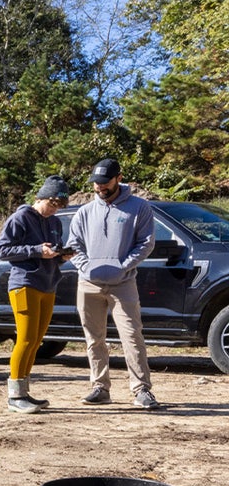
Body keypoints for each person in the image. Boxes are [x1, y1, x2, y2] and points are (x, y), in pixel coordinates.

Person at [65, 158, 160, 410]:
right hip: (88, 284)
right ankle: (100, 387)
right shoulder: (84, 211)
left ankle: (141, 390)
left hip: (123, 284)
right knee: (94, 338)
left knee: (131, 336)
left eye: (105, 182)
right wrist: (86, 267)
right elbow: (75, 245)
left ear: (119, 178)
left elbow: (146, 243)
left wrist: (123, 266)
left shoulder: (139, 207)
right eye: (96, 183)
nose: (99, 187)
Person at [0, 175, 72, 413]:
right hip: (24, 284)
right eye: (52, 204)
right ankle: (15, 396)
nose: (54, 210)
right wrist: (37, 250)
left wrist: (61, 256)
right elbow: (2, 250)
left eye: (59, 207)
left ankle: (24, 392)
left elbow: (50, 256)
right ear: (40, 198)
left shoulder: (55, 223)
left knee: (36, 342)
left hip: (47, 284)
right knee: (25, 339)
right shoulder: (20, 218)